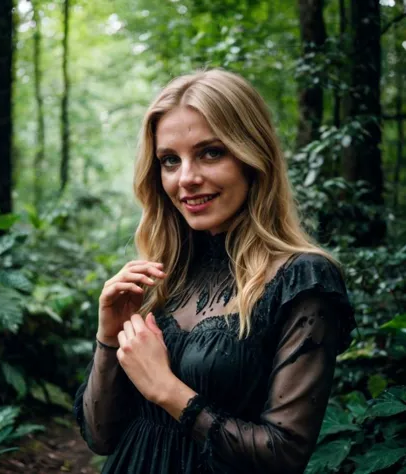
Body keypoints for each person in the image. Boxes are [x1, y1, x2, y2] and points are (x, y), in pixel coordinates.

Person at [73, 68, 356, 474]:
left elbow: (285, 455)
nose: (186, 178)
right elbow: (100, 436)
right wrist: (108, 336)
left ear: (252, 157)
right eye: (170, 160)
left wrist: (167, 390)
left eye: (210, 152)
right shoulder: (162, 278)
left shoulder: (302, 282)